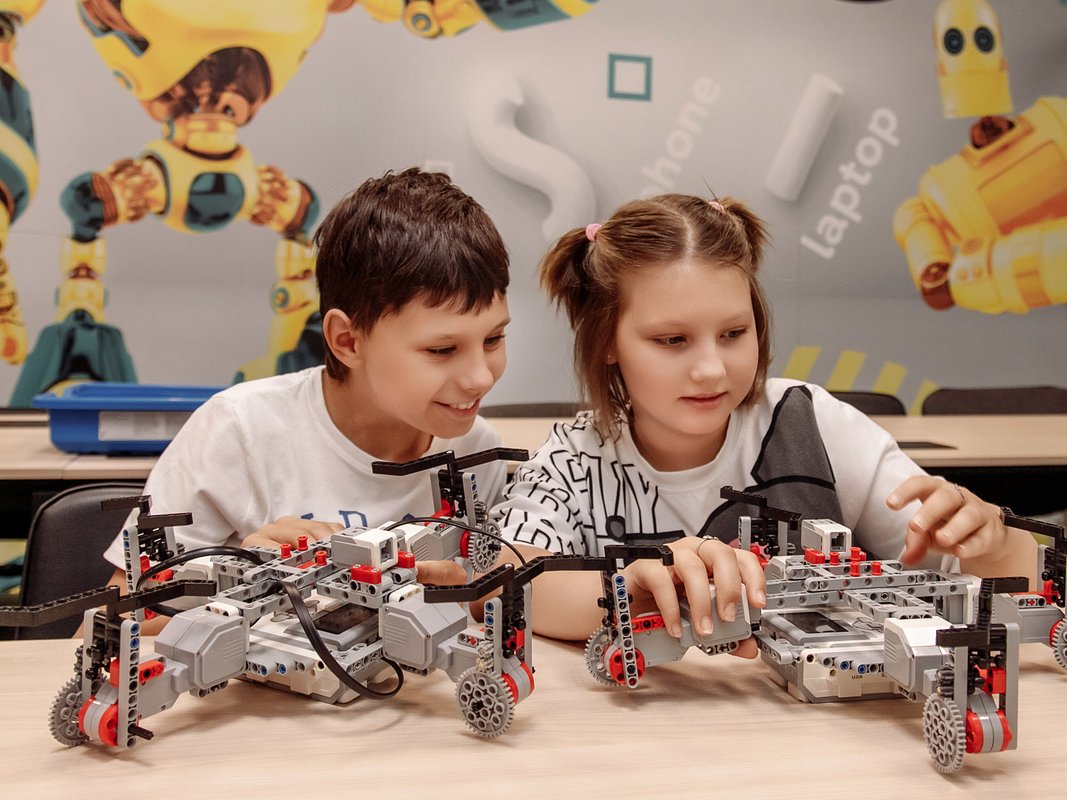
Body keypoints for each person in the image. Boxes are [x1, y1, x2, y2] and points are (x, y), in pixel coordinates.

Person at [491, 192, 1039, 646]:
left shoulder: (812, 424)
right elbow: (501, 579)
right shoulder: (573, 458)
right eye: (672, 340)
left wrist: (995, 544)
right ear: (606, 341)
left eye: (734, 333)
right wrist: (628, 590)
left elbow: (1005, 581)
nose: (712, 369)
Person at [99, 167, 513, 623]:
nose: (480, 378)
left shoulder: (479, 450)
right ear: (347, 341)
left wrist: (466, 596)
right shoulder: (240, 430)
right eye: (442, 350)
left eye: (493, 339)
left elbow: (488, 604)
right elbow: (111, 622)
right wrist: (242, 583)